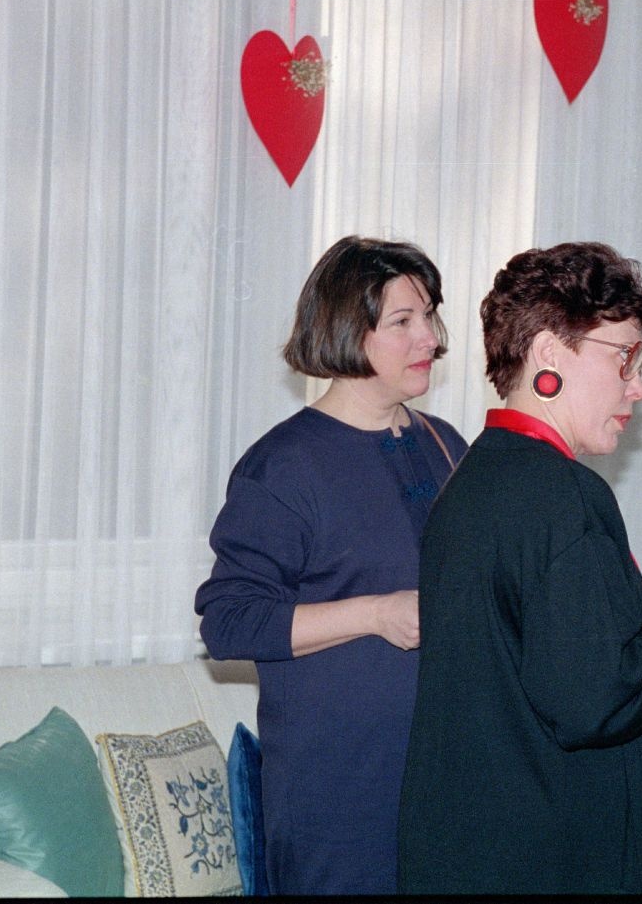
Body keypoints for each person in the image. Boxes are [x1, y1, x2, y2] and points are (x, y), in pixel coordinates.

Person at [397, 242, 642, 895]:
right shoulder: (560, 493)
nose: (637, 386)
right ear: (548, 352)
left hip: (486, 850)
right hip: (553, 856)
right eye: (624, 357)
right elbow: (592, 700)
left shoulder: (474, 480)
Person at [194, 236, 467, 895]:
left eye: (429, 314)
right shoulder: (283, 466)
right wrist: (377, 613)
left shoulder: (446, 443)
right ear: (348, 329)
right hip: (338, 804)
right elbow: (227, 623)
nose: (429, 336)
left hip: (444, 786)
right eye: (404, 321)